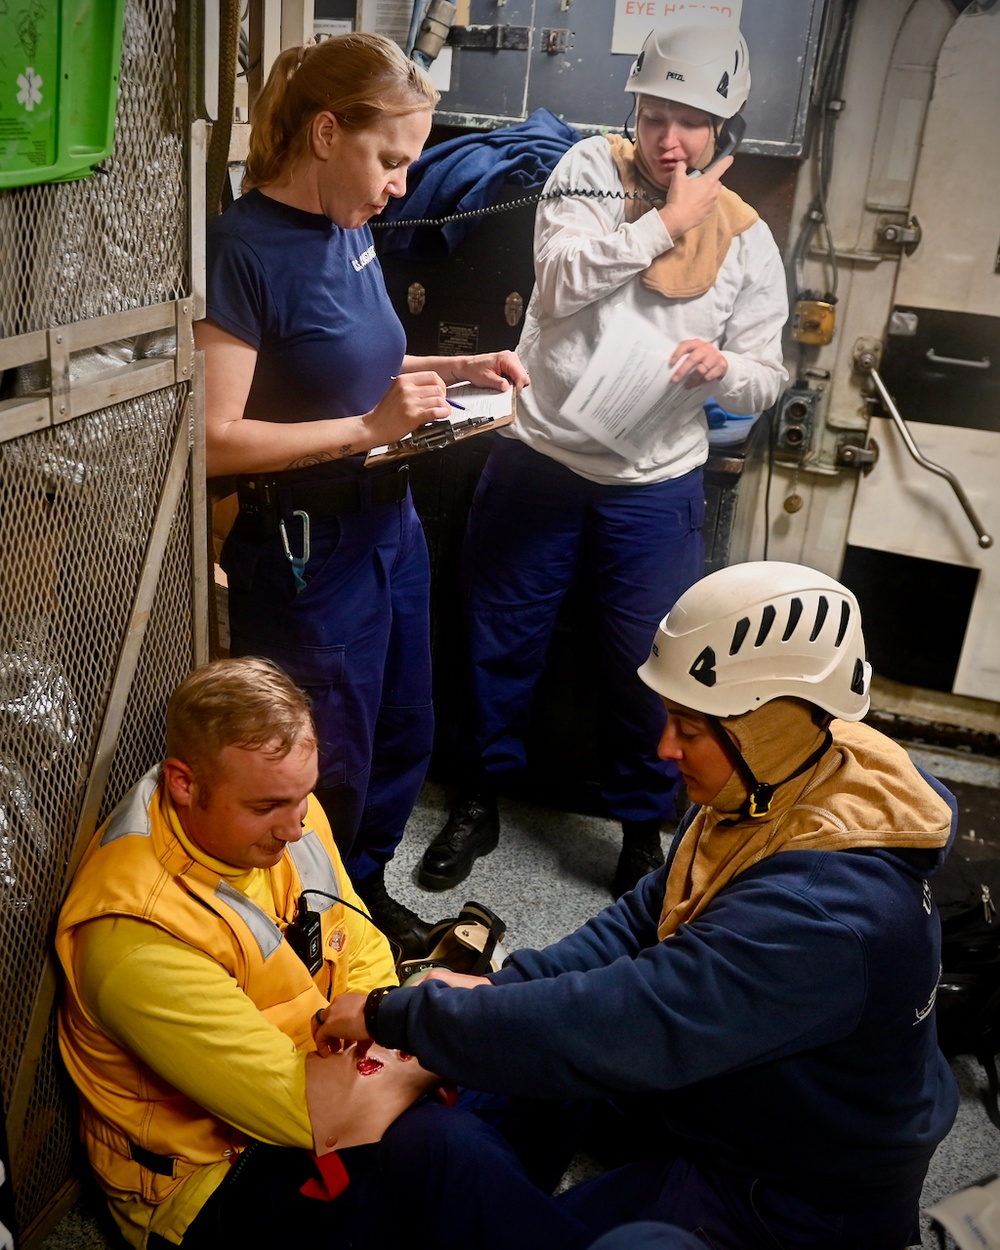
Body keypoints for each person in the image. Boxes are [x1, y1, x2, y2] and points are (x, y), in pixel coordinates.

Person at [317, 561, 961, 1250]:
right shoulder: (786, 778)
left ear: (766, 730)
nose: (663, 747)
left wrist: (399, 1016)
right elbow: (645, 916)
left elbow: (621, 1021)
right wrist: (499, 987)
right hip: (738, 1116)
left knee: (466, 1135)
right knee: (521, 1046)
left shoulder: (820, 917)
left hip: (792, 1201)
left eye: (688, 726)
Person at [420, 15, 788, 899]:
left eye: (691, 123)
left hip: (651, 487)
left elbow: (767, 378)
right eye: (656, 115)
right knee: (495, 642)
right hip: (537, 460)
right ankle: (477, 801)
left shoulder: (747, 237)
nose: (670, 139)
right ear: (636, 110)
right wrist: (665, 221)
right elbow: (561, 281)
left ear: (722, 129)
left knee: (647, 669)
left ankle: (638, 831)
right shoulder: (588, 171)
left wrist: (723, 367)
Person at [54, 658, 599, 1250]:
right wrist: (429, 1034)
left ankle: (485, 1213)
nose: (296, 826)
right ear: (184, 783)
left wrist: (389, 1023)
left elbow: (359, 940)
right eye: (267, 807)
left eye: (303, 796)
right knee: (447, 1147)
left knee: (550, 1057)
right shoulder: (138, 936)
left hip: (328, 1064)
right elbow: (309, 1114)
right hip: (215, 1177)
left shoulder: (287, 811)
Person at [195, 32, 529, 957]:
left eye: (410, 163)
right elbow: (215, 440)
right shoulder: (245, 250)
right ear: (326, 133)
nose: (400, 184)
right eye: (391, 159)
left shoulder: (350, 231)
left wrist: (453, 367)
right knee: (325, 753)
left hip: (390, 524)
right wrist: (371, 430)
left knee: (401, 729)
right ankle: (311, 924)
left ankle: (364, 893)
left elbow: (356, 367)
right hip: (306, 548)